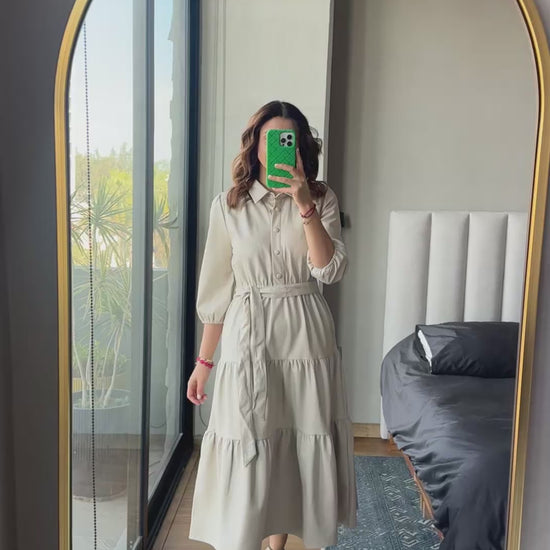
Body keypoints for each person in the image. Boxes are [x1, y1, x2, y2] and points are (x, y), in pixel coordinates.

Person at [187, 100, 357, 550]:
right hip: (248, 332)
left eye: (288, 138)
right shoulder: (228, 206)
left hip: (306, 334)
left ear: (299, 146)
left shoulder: (321, 198)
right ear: (256, 145)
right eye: (270, 138)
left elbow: (329, 270)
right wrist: (204, 362)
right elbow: (217, 290)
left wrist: (304, 205)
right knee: (251, 436)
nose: (278, 146)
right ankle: (246, 538)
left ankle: (277, 546)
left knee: (295, 437)